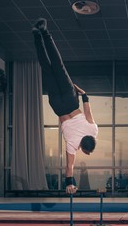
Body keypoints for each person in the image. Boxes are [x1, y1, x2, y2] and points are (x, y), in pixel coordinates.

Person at [32, 18, 98, 194]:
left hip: (70, 100)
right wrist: (69, 184)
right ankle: (36, 36)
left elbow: (88, 112)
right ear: (83, 147)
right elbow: (69, 167)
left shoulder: (93, 131)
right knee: (46, 68)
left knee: (58, 66)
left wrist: (85, 96)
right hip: (59, 107)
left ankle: (45, 32)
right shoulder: (72, 146)